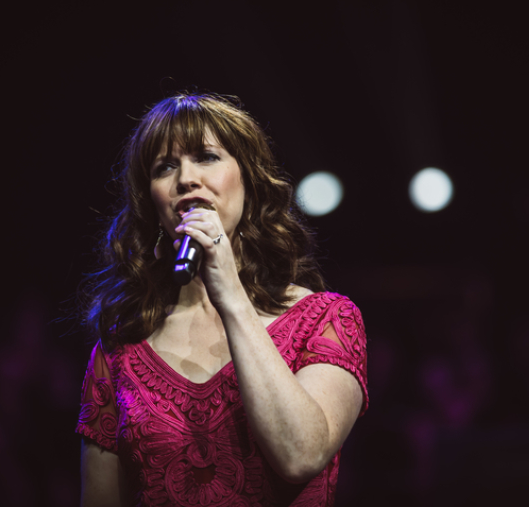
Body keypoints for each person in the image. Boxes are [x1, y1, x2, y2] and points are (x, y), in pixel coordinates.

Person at [76, 93, 368, 507]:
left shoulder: (326, 320)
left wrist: (228, 291)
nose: (186, 179)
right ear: (154, 203)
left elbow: (301, 455)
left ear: (248, 180)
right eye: (165, 167)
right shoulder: (120, 350)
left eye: (207, 157)